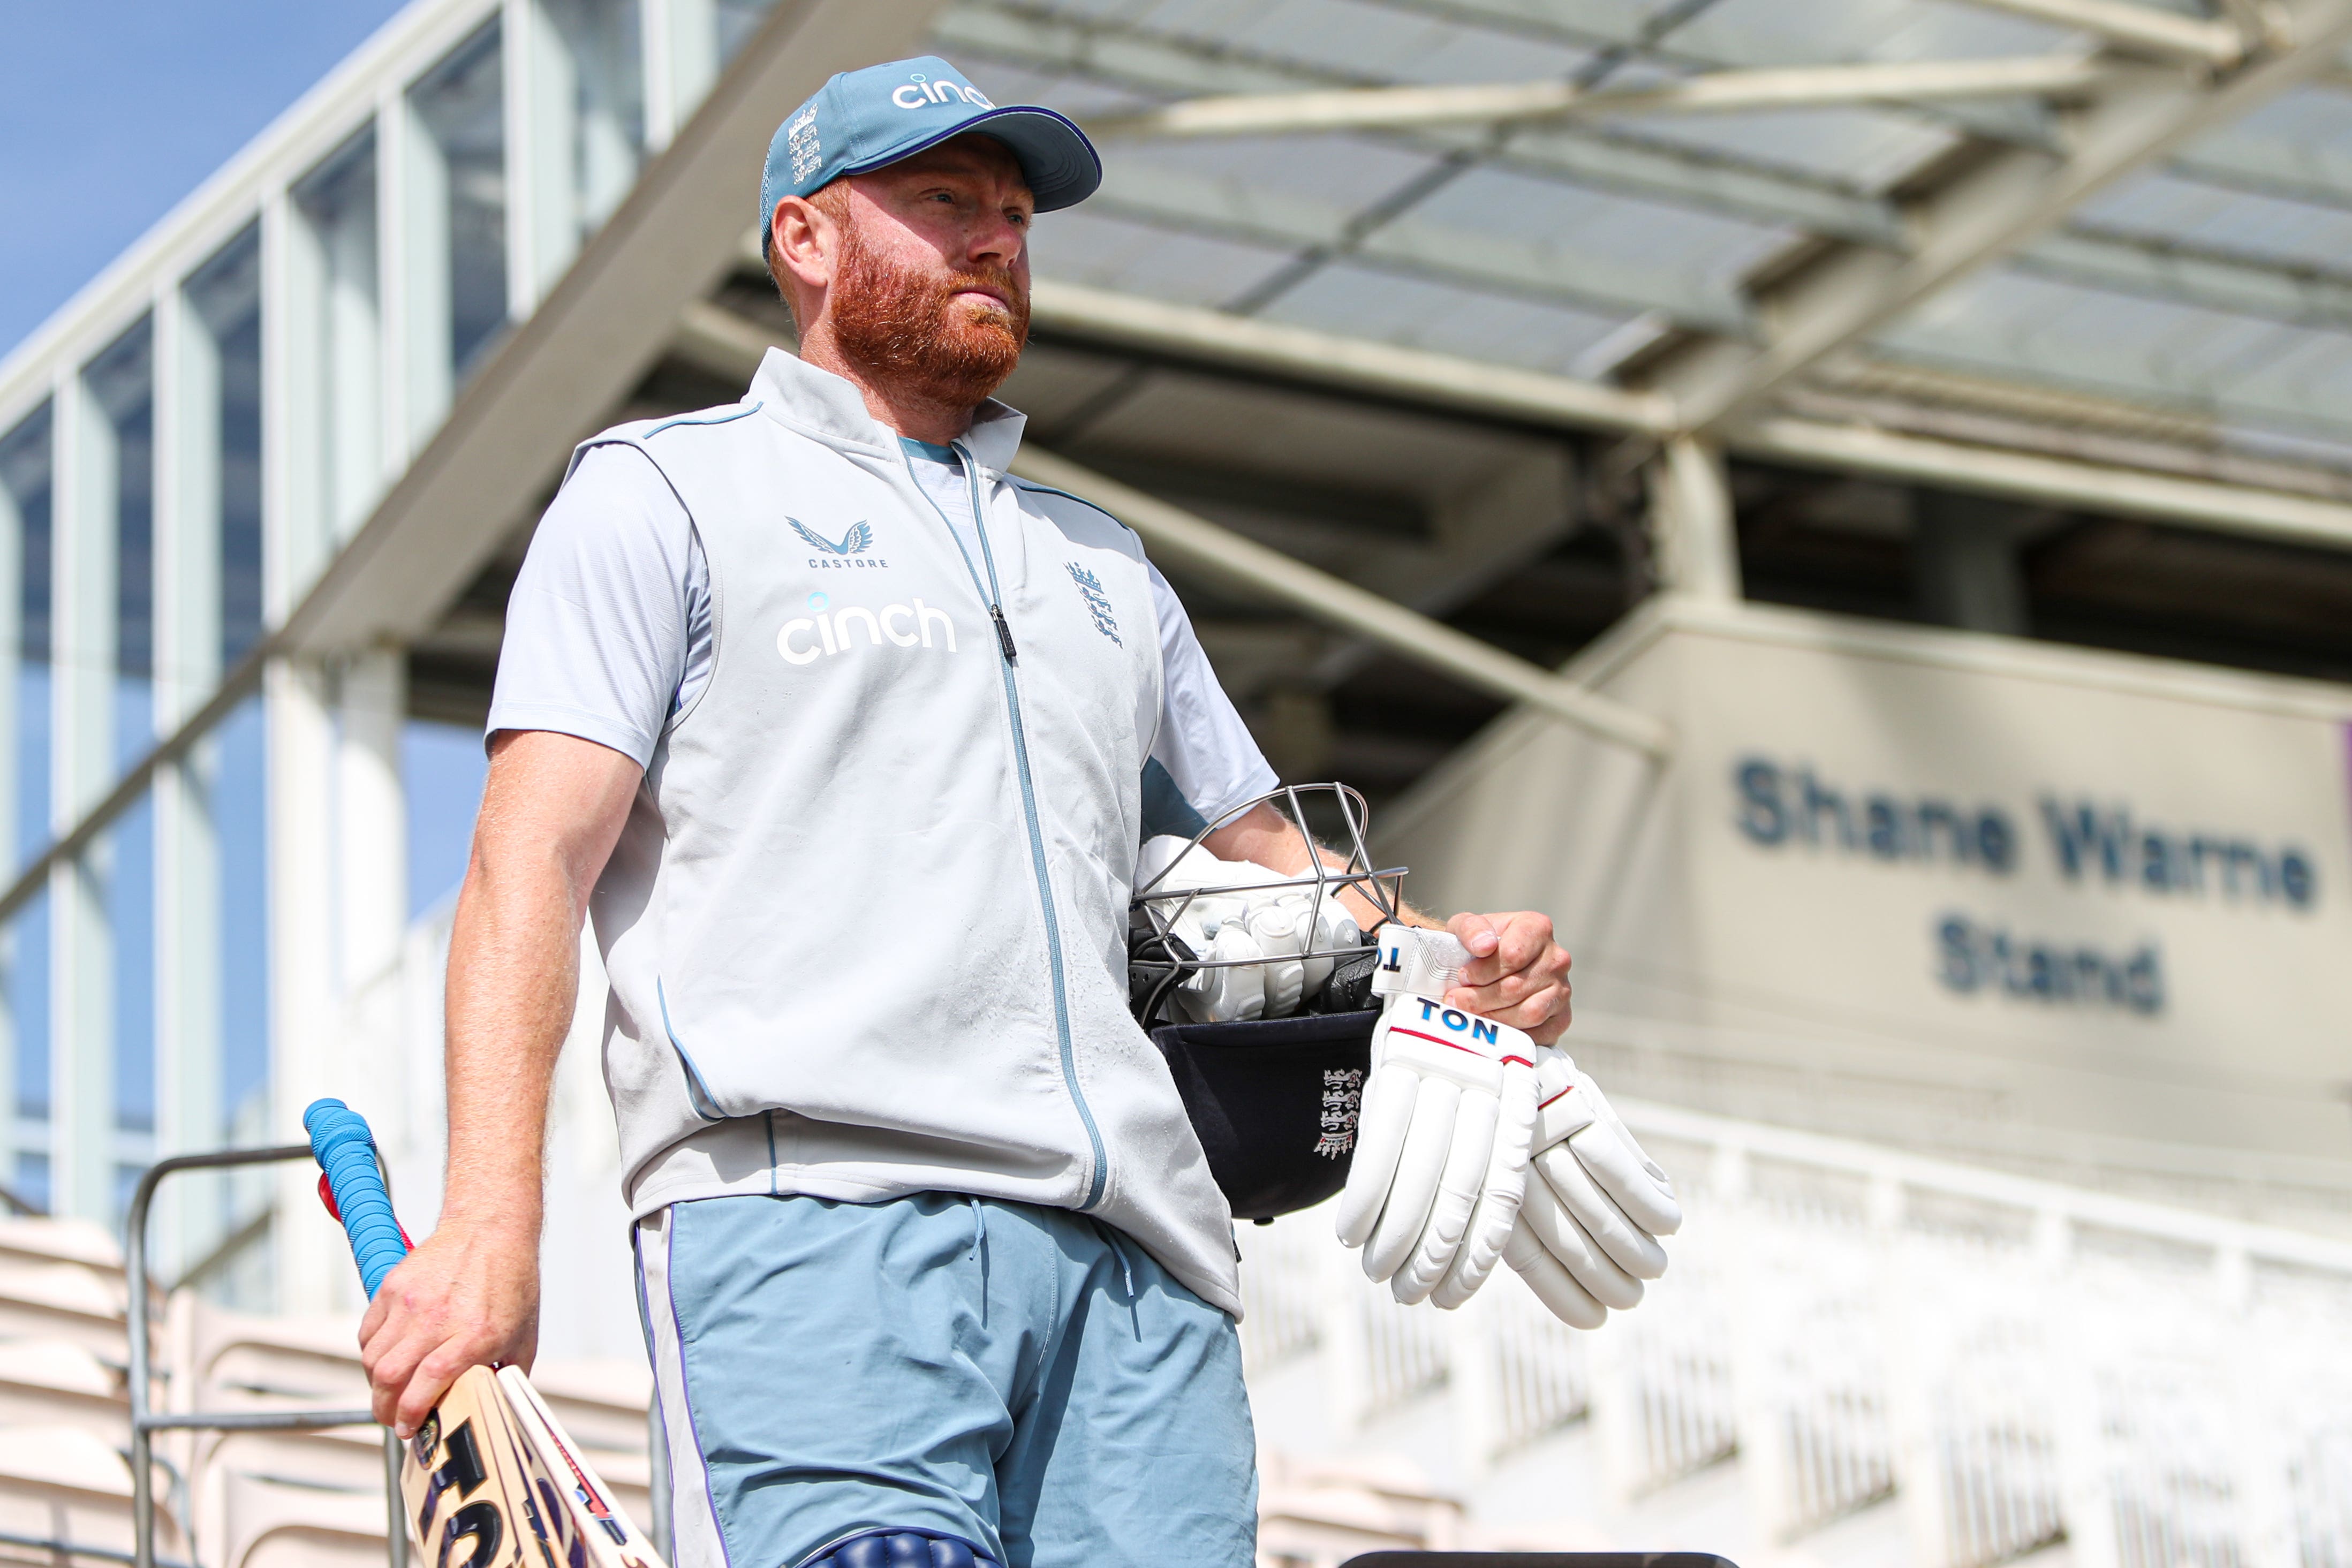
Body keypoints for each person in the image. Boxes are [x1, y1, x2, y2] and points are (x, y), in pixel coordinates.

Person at [354, 55, 1574, 1568]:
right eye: (943, 202)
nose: (997, 239)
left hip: (1145, 1272)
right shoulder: (658, 492)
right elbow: (525, 861)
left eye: (1013, 215)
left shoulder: (1106, 562)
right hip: (817, 1224)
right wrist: (489, 1220)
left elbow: (1270, 855)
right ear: (804, 238)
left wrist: (1454, 963)